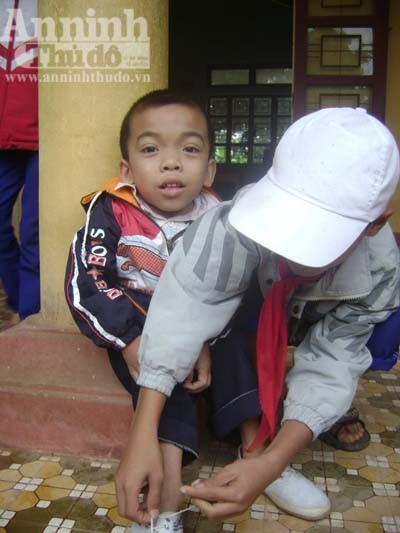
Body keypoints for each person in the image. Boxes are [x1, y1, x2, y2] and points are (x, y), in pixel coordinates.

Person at [117, 107, 400, 526]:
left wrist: (271, 463)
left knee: (380, 336)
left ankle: (277, 445)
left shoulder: (379, 272)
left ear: (375, 224)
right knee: (230, 318)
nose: (294, 245)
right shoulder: (232, 225)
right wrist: (142, 435)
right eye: (288, 219)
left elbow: (332, 362)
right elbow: (182, 310)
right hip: (258, 305)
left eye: (319, 233)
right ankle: (251, 439)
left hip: (318, 313)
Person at [66, 90, 323, 533]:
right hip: (140, 322)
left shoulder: (223, 217)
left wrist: (203, 337)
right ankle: (165, 504)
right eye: (151, 150)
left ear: (209, 169)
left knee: (239, 346)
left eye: (189, 149)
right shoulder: (111, 212)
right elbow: (88, 281)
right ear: (127, 169)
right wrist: (131, 340)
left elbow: (236, 289)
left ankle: (257, 453)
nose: (171, 163)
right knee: (162, 382)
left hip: (208, 322)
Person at [0, 0, 40, 323]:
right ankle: (17, 301)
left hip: (47, 137)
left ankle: (29, 313)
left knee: (33, 229)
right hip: (2, 138)